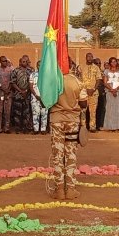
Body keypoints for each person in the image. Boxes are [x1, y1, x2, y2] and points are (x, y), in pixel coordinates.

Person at [46, 61, 87, 200]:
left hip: (56, 120)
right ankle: (70, 188)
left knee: (58, 154)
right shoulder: (77, 81)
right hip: (72, 121)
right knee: (70, 154)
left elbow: (46, 101)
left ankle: (59, 189)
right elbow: (84, 103)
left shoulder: (53, 81)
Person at [79, 53, 103, 132]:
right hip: (83, 92)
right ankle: (83, 126)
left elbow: (99, 79)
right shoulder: (81, 67)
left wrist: (93, 89)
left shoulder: (96, 68)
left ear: (92, 58)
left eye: (91, 56)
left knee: (93, 111)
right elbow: (78, 79)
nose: (89, 58)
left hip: (93, 92)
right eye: (88, 56)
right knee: (83, 110)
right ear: (85, 57)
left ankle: (92, 126)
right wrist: (84, 89)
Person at [10, 56, 34, 133]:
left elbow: (31, 82)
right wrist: (20, 91)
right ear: (20, 62)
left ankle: (25, 128)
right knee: (17, 112)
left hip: (27, 94)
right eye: (23, 61)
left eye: (26, 61)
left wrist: (26, 91)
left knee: (26, 112)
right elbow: (13, 82)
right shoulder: (15, 71)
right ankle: (18, 128)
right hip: (18, 94)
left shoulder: (30, 71)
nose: (25, 63)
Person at [102, 57, 119, 131]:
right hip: (109, 90)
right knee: (109, 108)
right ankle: (109, 126)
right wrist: (111, 89)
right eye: (112, 62)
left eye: (115, 62)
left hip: (118, 90)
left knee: (118, 108)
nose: (114, 63)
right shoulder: (106, 71)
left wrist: (116, 89)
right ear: (109, 63)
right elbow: (105, 82)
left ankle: (117, 126)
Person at [0, 56, 14, 134]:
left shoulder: (10, 70)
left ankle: (7, 127)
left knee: (7, 111)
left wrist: (8, 90)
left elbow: (12, 81)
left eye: (6, 61)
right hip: (0, 93)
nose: (5, 62)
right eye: (3, 61)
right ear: (0, 62)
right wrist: (3, 90)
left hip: (8, 93)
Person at [30, 61, 47, 134]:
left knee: (44, 114)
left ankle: (43, 129)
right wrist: (36, 95)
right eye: (38, 65)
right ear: (37, 66)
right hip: (35, 97)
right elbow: (31, 86)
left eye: (41, 65)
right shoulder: (33, 74)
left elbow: (49, 86)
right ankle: (36, 129)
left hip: (44, 98)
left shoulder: (47, 75)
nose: (40, 66)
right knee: (35, 113)